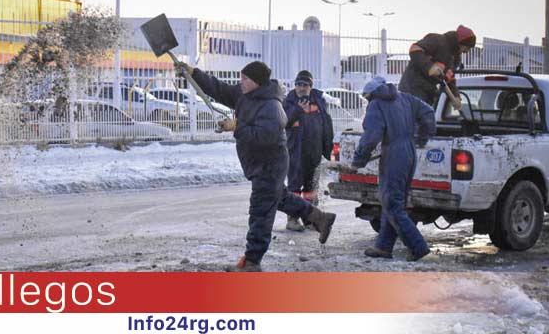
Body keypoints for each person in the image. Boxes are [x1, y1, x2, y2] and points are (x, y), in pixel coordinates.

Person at [175, 60, 337, 272]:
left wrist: (238, 126)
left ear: (258, 82)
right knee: (279, 198)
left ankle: (252, 262)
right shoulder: (245, 94)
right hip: (259, 163)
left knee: (260, 211)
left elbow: (265, 136)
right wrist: (193, 72)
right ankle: (320, 218)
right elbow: (219, 88)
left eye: (245, 78)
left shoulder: (272, 105)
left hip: (270, 164)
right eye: (241, 77)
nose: (240, 81)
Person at [348, 76, 436, 261]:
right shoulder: (406, 98)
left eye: (366, 98)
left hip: (394, 154)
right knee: (394, 202)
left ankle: (419, 249)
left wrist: (358, 160)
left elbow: (371, 136)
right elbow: (428, 113)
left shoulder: (376, 104)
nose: (367, 102)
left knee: (392, 204)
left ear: (371, 94)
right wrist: (422, 136)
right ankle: (383, 247)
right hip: (409, 152)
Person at [283, 70, 334, 232]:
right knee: (295, 187)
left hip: (314, 151)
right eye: (298, 85)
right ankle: (292, 219)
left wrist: (327, 148)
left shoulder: (318, 101)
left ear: (311, 87)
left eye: (305, 85)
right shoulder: (289, 102)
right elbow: (285, 122)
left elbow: (326, 124)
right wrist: (298, 109)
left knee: (312, 188)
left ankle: (310, 219)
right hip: (295, 152)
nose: (301, 88)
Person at [398, 25, 476, 108]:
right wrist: (429, 66)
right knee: (414, 118)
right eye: (467, 47)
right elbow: (415, 49)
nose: (467, 51)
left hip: (428, 93)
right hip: (412, 89)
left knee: (426, 118)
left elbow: (449, 79)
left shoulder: (455, 58)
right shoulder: (438, 41)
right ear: (460, 42)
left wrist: (456, 96)